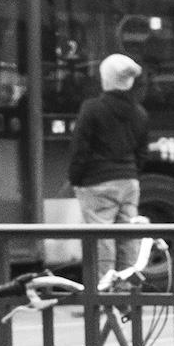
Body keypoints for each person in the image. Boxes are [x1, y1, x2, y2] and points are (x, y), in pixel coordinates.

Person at [67, 54, 148, 285]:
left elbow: (79, 149)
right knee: (128, 240)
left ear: (106, 79)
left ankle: (102, 296)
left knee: (101, 241)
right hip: (129, 182)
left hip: (97, 182)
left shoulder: (92, 109)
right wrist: (132, 173)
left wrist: (76, 179)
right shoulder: (140, 113)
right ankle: (127, 294)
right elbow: (142, 153)